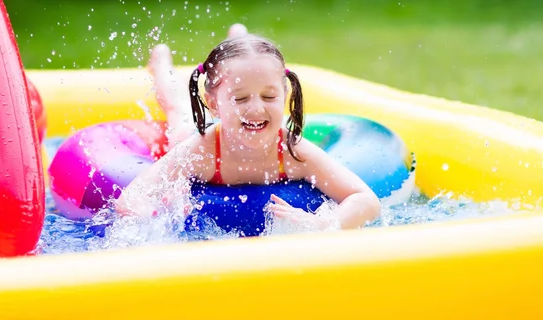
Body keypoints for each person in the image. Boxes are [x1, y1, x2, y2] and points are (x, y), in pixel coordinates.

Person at [115, 24, 381, 235]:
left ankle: (239, 39)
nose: (255, 109)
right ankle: (161, 63)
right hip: (194, 133)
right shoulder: (200, 150)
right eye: (240, 99)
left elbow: (365, 199)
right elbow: (132, 197)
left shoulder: (292, 151)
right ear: (214, 104)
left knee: (243, 62)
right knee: (178, 111)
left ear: (285, 95)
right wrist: (154, 215)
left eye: (269, 97)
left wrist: (323, 224)